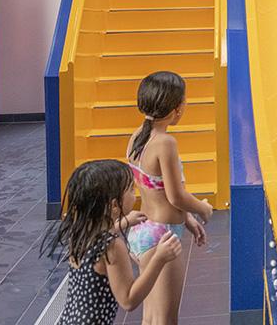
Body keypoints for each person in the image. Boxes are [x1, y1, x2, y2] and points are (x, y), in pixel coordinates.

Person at [42, 159, 182, 324]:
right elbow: (128, 300)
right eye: (131, 190)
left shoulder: (80, 234)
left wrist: (124, 222)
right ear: (115, 205)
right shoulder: (113, 247)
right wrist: (159, 258)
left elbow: (100, 236)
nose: (134, 194)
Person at [126, 71, 213, 323]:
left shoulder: (136, 138)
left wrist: (187, 220)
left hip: (144, 231)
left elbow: (155, 190)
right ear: (177, 109)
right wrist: (202, 209)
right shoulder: (166, 142)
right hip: (162, 236)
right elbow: (176, 196)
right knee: (165, 319)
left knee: (151, 317)